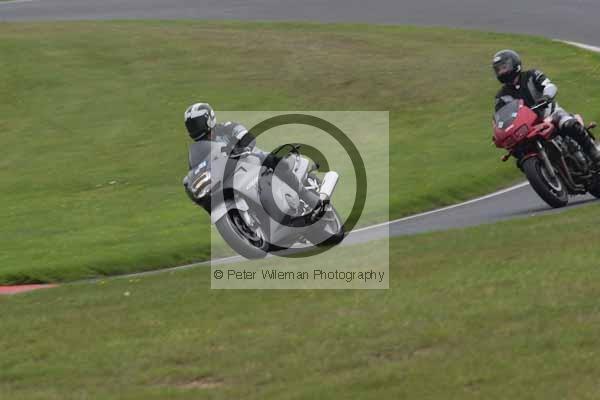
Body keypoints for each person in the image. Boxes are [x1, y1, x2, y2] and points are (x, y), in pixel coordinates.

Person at [182, 103, 324, 219]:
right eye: (191, 125)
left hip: (250, 159)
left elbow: (246, 136)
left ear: (209, 119)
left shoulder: (226, 127)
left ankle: (307, 196)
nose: (195, 127)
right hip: (229, 177)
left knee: (276, 162)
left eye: (196, 123)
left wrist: (242, 147)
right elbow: (197, 170)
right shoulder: (197, 151)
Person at [492, 49, 600, 165]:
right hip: (528, 128)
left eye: (504, 67)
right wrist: (500, 131)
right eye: (498, 70)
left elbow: (549, 85)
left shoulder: (532, 75)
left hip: (550, 114)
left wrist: (546, 96)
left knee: (568, 123)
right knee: (518, 153)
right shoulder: (501, 96)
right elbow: (502, 116)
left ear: (515, 64)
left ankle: (593, 151)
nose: (501, 72)